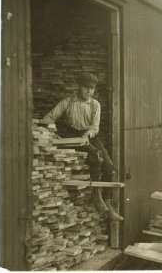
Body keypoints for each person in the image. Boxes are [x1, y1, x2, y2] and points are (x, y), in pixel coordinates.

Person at [43, 73, 123, 221]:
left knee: (109, 168)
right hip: (72, 136)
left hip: (89, 135)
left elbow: (95, 127)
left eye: (92, 89)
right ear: (79, 87)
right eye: (86, 88)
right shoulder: (68, 102)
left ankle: (108, 203)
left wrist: (86, 136)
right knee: (95, 156)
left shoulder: (95, 105)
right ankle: (97, 198)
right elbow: (48, 118)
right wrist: (53, 132)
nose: (89, 92)